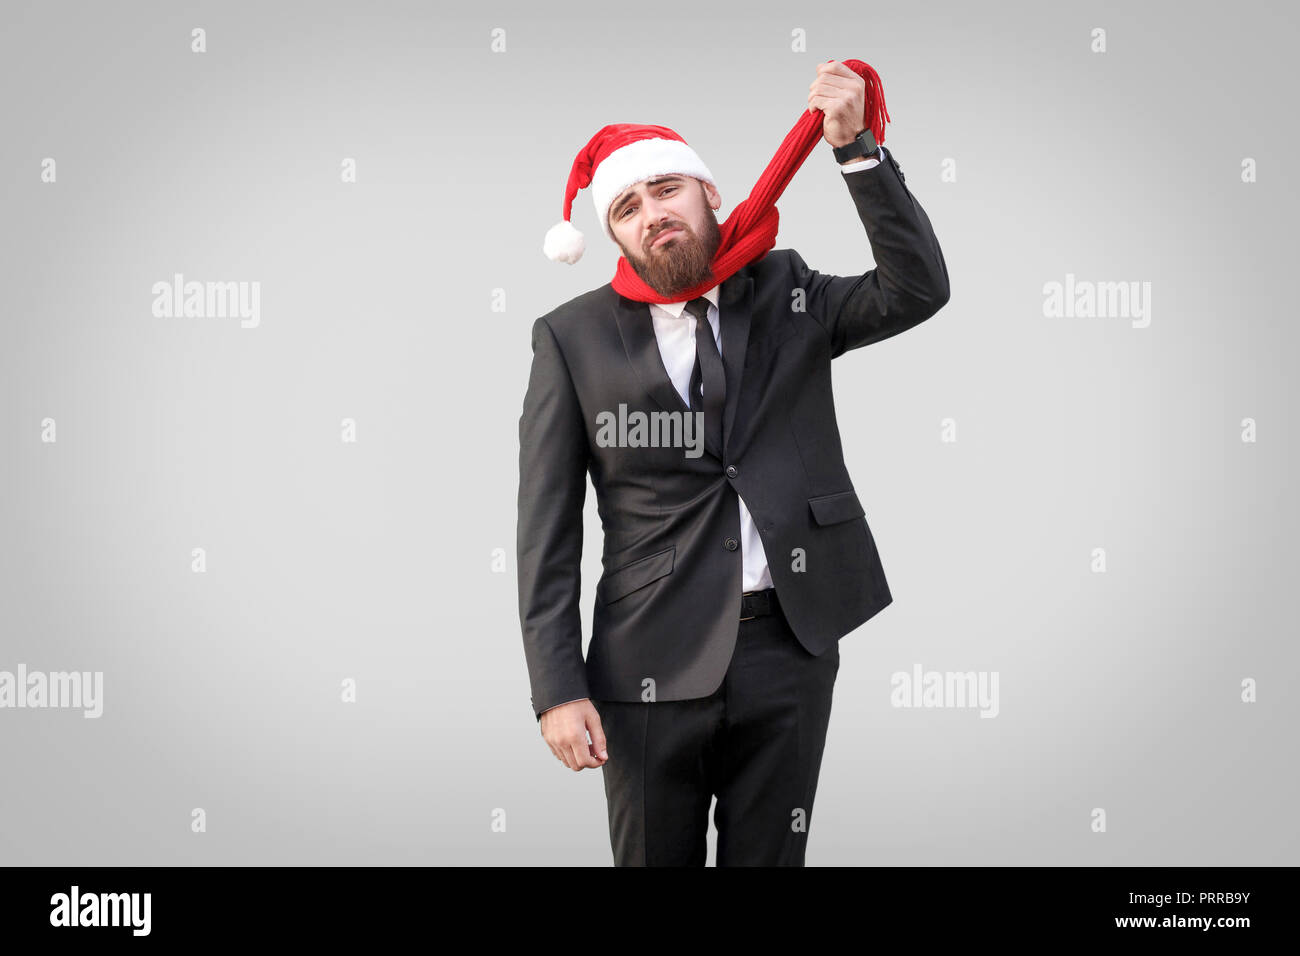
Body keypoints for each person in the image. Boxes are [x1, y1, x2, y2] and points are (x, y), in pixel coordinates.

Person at [517, 60, 950, 865]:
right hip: (645, 664)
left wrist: (856, 152)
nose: (653, 214)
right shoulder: (570, 337)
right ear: (612, 234)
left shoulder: (788, 289)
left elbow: (917, 289)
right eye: (627, 206)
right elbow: (545, 530)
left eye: (668, 190)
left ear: (710, 195)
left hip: (789, 648)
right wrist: (558, 687)